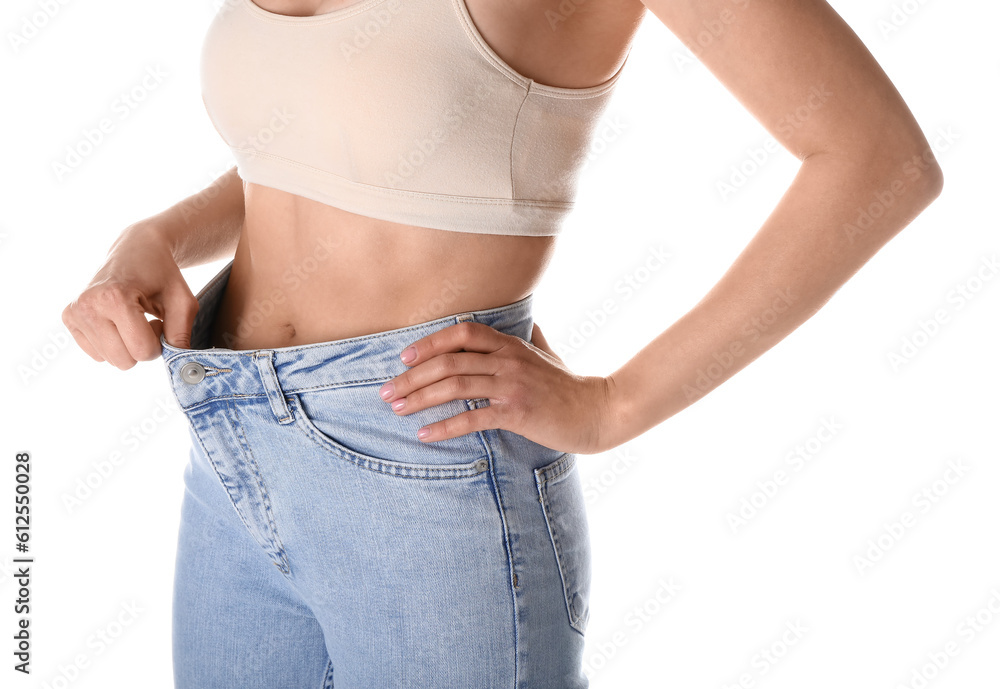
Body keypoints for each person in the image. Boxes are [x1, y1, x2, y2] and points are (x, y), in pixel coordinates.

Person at [61, 0, 943, 686]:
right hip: (226, 445)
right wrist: (162, 233)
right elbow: (323, 136)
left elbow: (879, 161)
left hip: (424, 458)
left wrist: (612, 404)